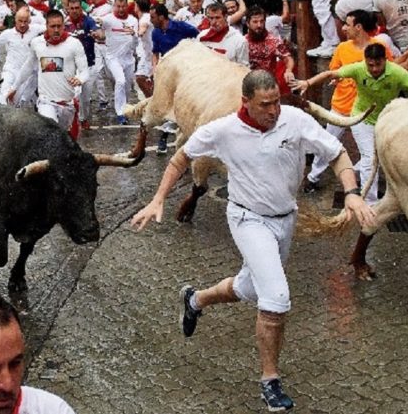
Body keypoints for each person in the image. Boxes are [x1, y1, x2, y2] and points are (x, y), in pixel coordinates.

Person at [131, 70, 376, 412]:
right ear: (245, 102)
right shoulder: (224, 130)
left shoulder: (294, 120)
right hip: (247, 219)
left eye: (276, 101)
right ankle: (270, 381)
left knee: (249, 288)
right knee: (276, 297)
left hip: (285, 219)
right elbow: (181, 157)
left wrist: (351, 193)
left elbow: (337, 154)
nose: (274, 110)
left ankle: (195, 300)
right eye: (266, 105)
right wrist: (158, 198)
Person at [292, 43, 408, 204]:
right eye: (371, 65)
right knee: (370, 158)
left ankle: (351, 172)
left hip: (385, 121)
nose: (375, 69)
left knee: (376, 159)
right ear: (366, 61)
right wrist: (307, 83)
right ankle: (370, 203)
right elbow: (330, 74)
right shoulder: (358, 68)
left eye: (379, 64)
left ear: (386, 60)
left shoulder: (398, 73)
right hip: (361, 118)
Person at [302, 9, 394, 193]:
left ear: (358, 27)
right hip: (341, 107)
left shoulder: (379, 47)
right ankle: (313, 177)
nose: (344, 28)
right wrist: (337, 79)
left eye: (347, 24)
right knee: (327, 143)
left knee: (369, 153)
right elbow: (333, 70)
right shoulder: (342, 48)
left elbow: (390, 69)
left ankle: (363, 184)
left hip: (366, 111)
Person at [8, 9, 88, 133]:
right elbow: (27, 67)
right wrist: (14, 88)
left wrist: (79, 79)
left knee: (65, 141)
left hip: (67, 103)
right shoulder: (37, 43)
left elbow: (84, 71)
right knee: (51, 134)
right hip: (46, 101)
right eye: (52, 26)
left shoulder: (74, 43)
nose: (56, 30)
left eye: (59, 26)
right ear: (46, 26)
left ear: (64, 26)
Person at [149, 3, 198, 154]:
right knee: (170, 104)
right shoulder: (156, 33)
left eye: (153, 17)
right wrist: (155, 68)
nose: (151, 20)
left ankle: (170, 138)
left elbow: (198, 35)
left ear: (162, 17)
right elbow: (155, 52)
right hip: (169, 72)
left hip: (186, 70)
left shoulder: (181, 27)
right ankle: (165, 137)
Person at [101, 0, 138, 125]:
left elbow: (135, 44)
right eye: (118, 6)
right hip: (113, 58)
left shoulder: (133, 20)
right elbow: (97, 23)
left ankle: (124, 108)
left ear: (127, 6)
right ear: (114, 6)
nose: (121, 9)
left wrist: (133, 34)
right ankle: (120, 113)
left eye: (123, 6)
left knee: (127, 87)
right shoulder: (108, 19)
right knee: (120, 81)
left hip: (128, 59)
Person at [63, 0, 99, 129]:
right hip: (71, 66)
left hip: (88, 64)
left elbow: (99, 32)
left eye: (77, 8)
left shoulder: (88, 21)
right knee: (74, 94)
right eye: (72, 8)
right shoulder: (64, 23)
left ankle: (83, 118)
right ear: (67, 9)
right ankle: (71, 121)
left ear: (81, 8)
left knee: (85, 98)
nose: (74, 11)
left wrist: (98, 34)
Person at [245, 6, 294, 94]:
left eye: (262, 21)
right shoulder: (242, 42)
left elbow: (288, 58)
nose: (259, 25)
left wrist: (289, 70)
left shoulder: (273, 41)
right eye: (255, 22)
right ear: (248, 23)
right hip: (248, 86)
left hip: (268, 86)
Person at [197, 2, 248, 66]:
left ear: (225, 17)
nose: (213, 22)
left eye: (217, 18)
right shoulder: (201, 36)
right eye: (211, 18)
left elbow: (244, 69)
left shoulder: (239, 40)